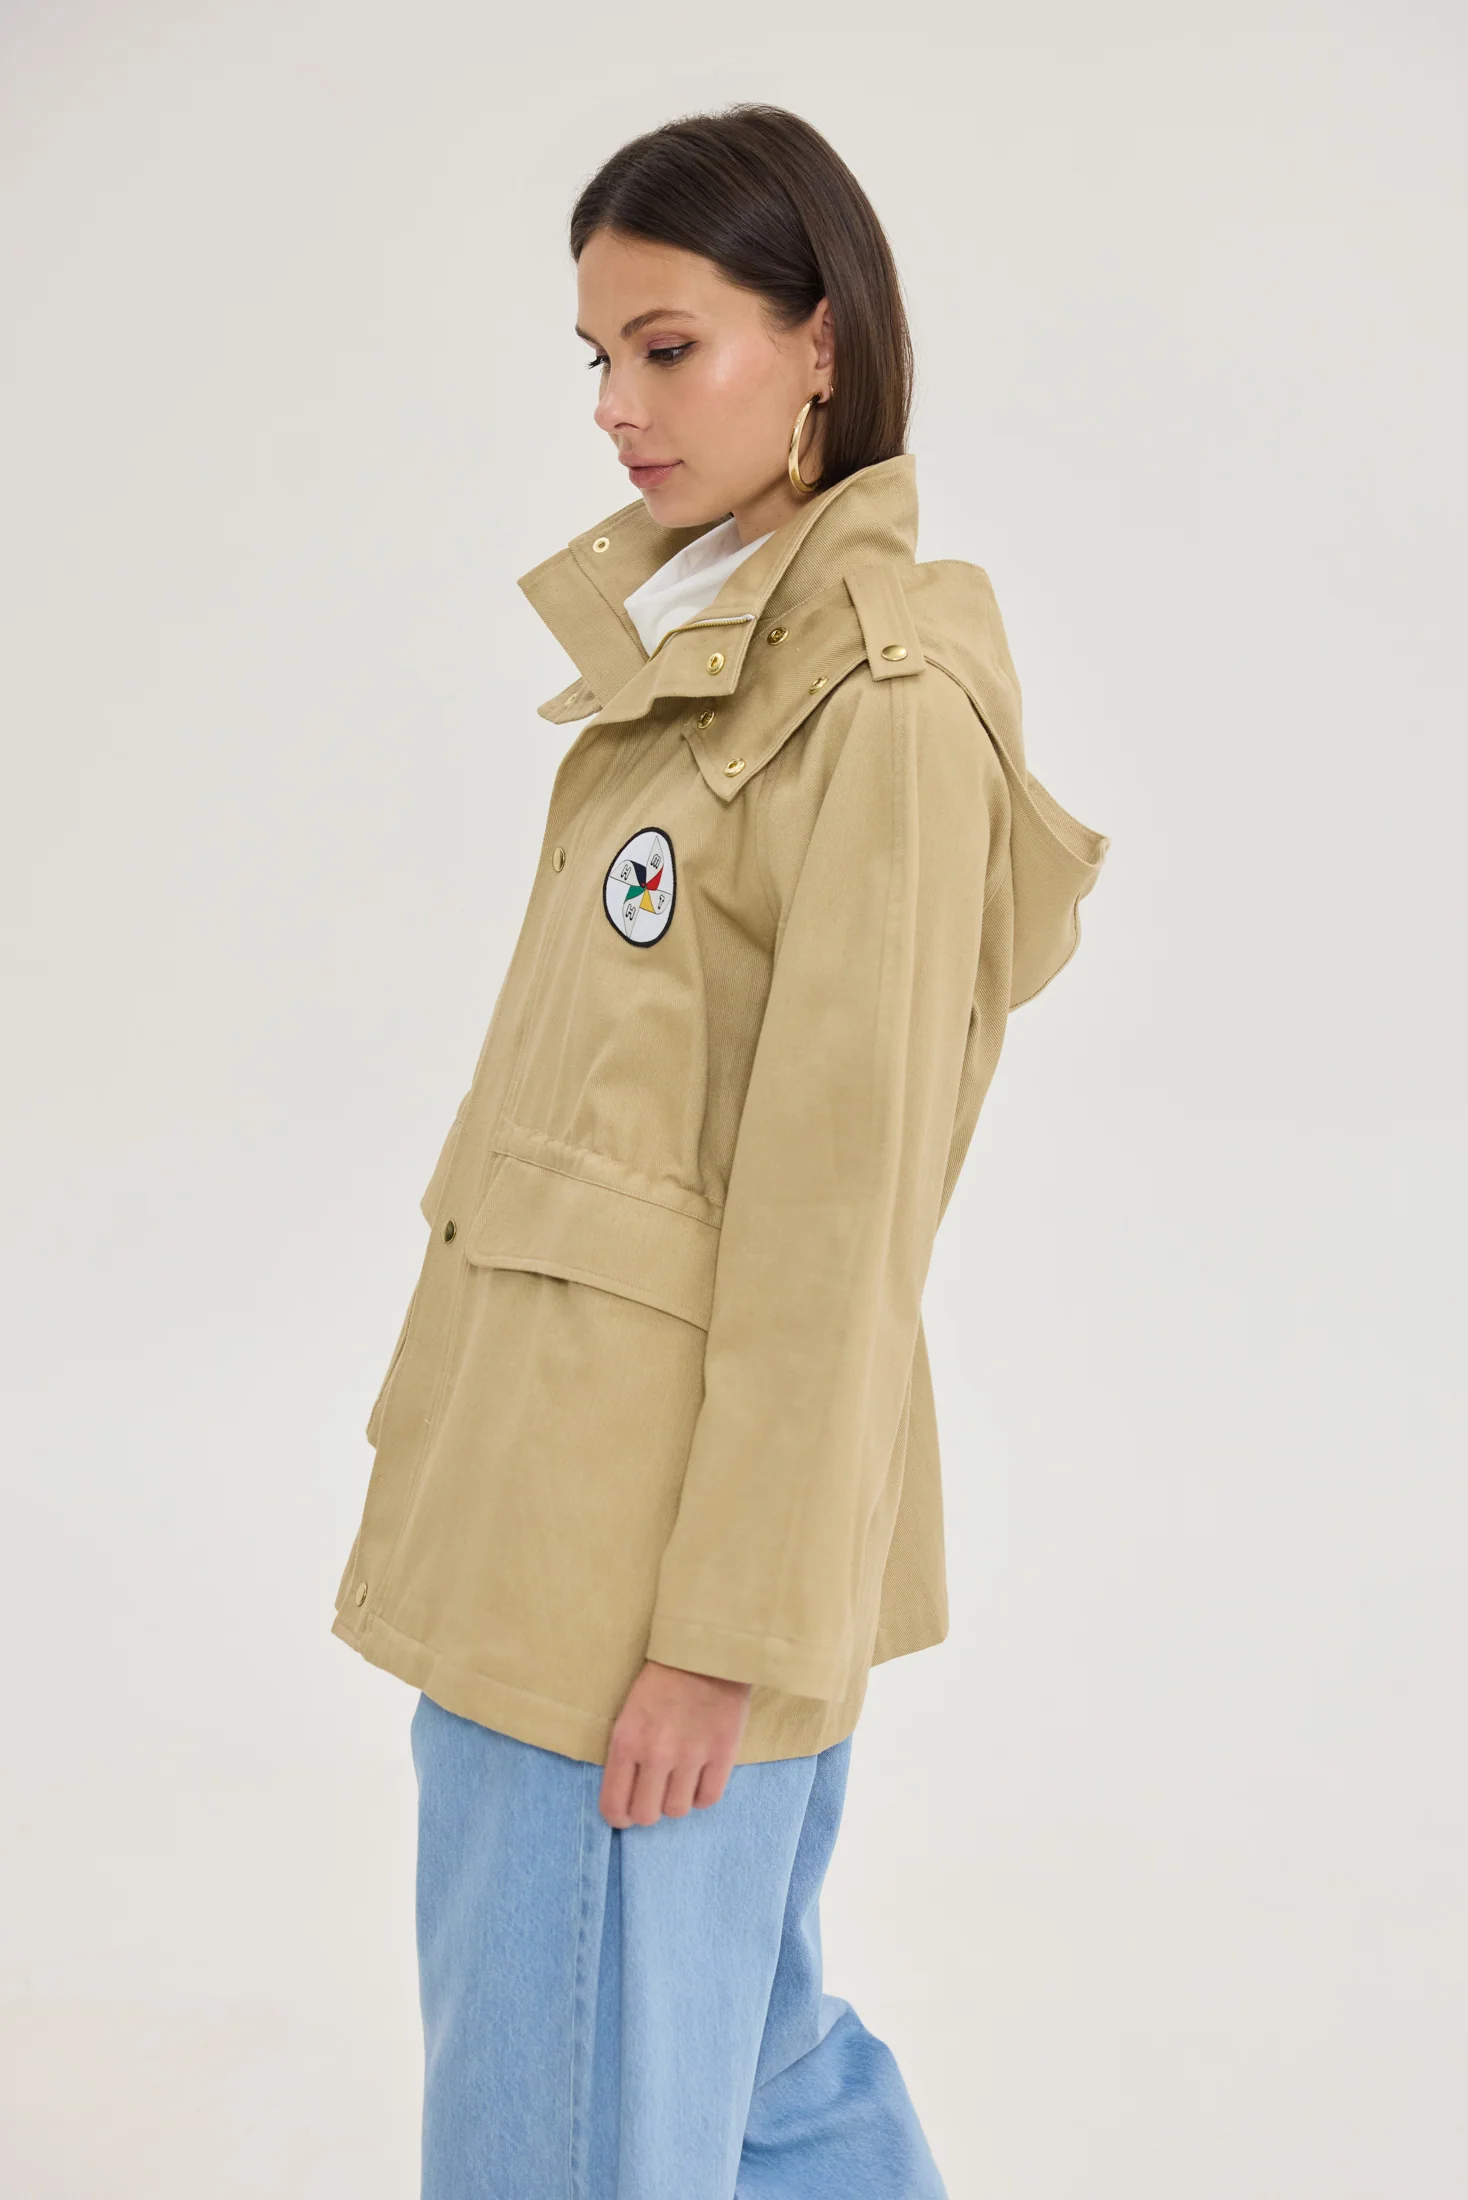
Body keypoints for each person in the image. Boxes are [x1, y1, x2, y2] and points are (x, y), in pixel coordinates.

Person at [330, 102, 1109, 2200]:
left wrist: (721, 1638)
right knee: (761, 2092)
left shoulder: (874, 704)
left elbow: (837, 1224)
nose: (616, 405)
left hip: (638, 1610)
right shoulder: (695, 670)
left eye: (668, 347)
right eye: (597, 357)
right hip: (552, 1535)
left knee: (573, 2140)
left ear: (820, 341)